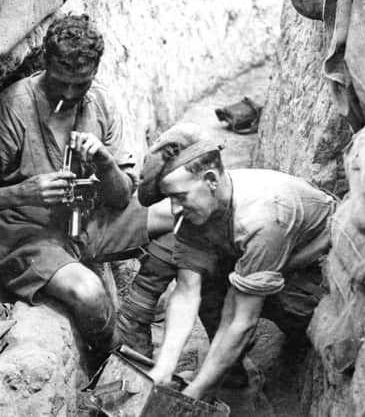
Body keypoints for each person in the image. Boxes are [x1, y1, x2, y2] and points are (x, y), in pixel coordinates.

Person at [0, 13, 172, 360]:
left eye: (80, 84)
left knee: (179, 215)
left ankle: (138, 315)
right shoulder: (11, 110)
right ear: (45, 63)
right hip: (30, 234)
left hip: (91, 219)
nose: (69, 93)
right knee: (89, 295)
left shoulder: (101, 102)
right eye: (59, 82)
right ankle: (109, 357)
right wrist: (24, 192)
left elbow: (121, 196)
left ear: (94, 72)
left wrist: (105, 162)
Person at [131, 122, 336, 399]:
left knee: (252, 308)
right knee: (208, 284)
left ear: (211, 180)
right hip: (256, 262)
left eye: (180, 197)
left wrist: (195, 393)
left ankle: (230, 378)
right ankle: (231, 376)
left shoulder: (263, 218)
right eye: (171, 199)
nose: (175, 208)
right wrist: (164, 368)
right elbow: (187, 288)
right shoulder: (199, 202)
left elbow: (242, 318)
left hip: (312, 276)